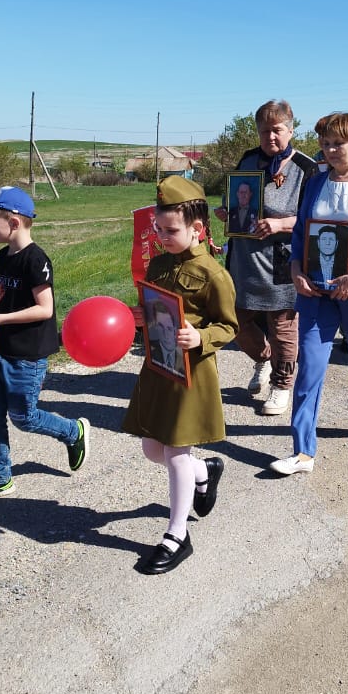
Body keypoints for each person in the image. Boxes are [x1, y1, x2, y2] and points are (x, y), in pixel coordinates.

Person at [268, 112, 348, 475]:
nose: (330, 150)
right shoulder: (315, 183)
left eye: (337, 143)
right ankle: (302, 452)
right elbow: (300, 233)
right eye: (325, 144)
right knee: (309, 367)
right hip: (316, 291)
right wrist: (296, 270)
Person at [123, 177, 237, 573]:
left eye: (170, 230)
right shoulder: (158, 264)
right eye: (158, 229)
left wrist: (200, 336)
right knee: (152, 448)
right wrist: (141, 317)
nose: (162, 237)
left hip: (192, 374)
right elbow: (155, 307)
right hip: (159, 368)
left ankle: (177, 535)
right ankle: (206, 471)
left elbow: (228, 326)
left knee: (175, 453)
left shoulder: (213, 274)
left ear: (197, 229)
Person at [0, 186, 88, 504]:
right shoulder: (3, 256)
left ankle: (73, 432)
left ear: (14, 222)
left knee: (24, 418)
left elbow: (44, 308)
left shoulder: (36, 260)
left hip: (26, 356)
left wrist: (0, 319)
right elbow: (5, 293)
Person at [215, 101, 316, 418]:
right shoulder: (248, 159)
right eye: (264, 131)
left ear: (290, 130)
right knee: (234, 320)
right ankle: (264, 359)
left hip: (283, 261)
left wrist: (280, 224)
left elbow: (316, 220)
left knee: (282, 326)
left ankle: (282, 385)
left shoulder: (306, 168)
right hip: (244, 261)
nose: (270, 136)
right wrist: (227, 212)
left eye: (277, 130)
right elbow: (233, 197)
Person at [147, 300, 184, 376]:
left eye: (169, 329)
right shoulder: (152, 355)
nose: (165, 334)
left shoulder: (183, 361)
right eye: (161, 326)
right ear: (156, 326)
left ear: (175, 330)